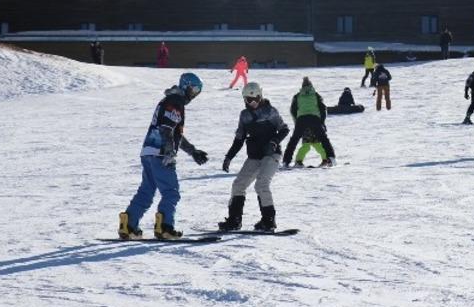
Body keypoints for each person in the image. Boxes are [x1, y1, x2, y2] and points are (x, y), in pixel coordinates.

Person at [118, 72, 208, 240]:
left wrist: (193, 151)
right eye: (194, 89)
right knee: (171, 192)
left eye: (198, 91)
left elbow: (175, 133)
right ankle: (165, 227)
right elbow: (166, 129)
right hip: (160, 153)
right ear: (186, 86)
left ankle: (128, 224)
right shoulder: (175, 102)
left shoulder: (170, 101)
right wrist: (168, 152)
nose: (195, 94)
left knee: (146, 190)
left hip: (148, 151)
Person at [218, 82, 290, 232]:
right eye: (247, 100)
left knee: (261, 184)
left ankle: (268, 221)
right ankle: (234, 221)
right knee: (238, 185)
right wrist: (228, 157)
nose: (252, 103)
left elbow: (284, 129)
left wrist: (274, 141)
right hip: (254, 156)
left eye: (254, 98)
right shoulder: (244, 115)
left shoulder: (270, 112)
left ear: (260, 96)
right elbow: (239, 139)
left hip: (271, 154)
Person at [284, 77, 335, 168]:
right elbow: (323, 109)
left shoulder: (297, 96)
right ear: (311, 86)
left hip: (301, 119)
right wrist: (322, 122)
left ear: (302, 86)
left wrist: (297, 121)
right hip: (314, 118)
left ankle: (286, 161)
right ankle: (331, 158)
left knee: (294, 140)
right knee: (323, 139)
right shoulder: (316, 95)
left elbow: (292, 110)